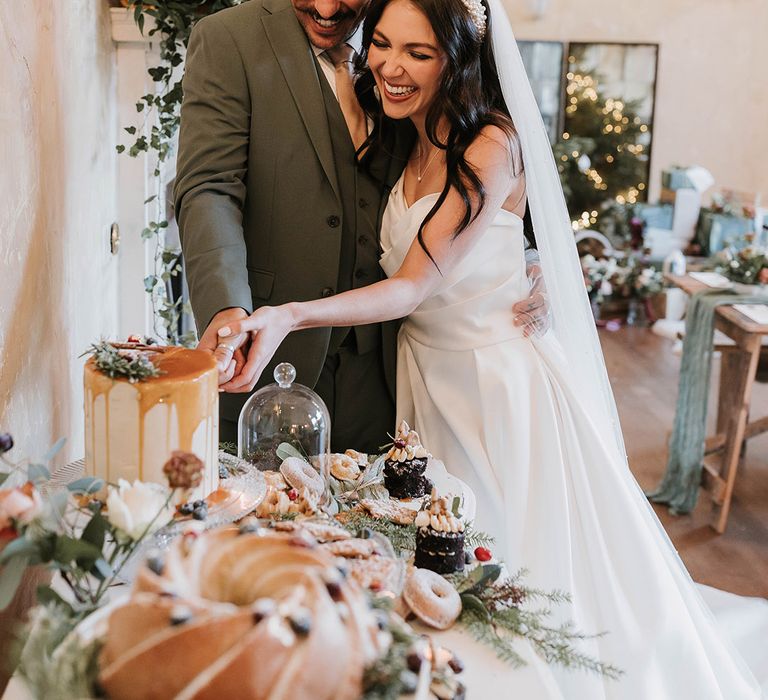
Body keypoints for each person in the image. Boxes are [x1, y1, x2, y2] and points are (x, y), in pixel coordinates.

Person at [218, 0, 762, 696]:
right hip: (422, 376)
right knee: (449, 561)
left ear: (457, 56)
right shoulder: (404, 136)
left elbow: (413, 285)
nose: (389, 65)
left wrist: (288, 314)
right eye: (381, 44)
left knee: (511, 569)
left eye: (418, 52)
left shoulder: (492, 145)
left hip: (494, 386)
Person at [173, 0, 547, 452]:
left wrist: (532, 263)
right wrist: (228, 309)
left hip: (393, 375)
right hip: (271, 357)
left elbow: (490, 197)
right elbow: (210, 186)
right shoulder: (229, 38)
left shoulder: (417, 33)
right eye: (384, 47)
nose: (328, 8)